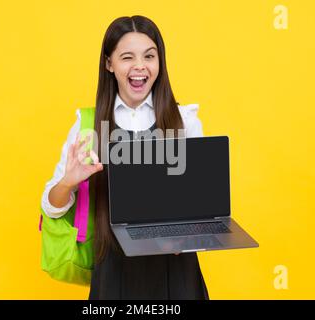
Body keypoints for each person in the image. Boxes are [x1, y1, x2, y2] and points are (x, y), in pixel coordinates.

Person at [41, 15, 208, 300]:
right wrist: (68, 182)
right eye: (127, 57)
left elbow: (203, 205)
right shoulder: (88, 125)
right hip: (113, 272)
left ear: (160, 62)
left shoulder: (184, 121)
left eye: (149, 56)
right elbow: (52, 206)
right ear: (109, 64)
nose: (140, 66)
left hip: (175, 272)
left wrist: (189, 235)